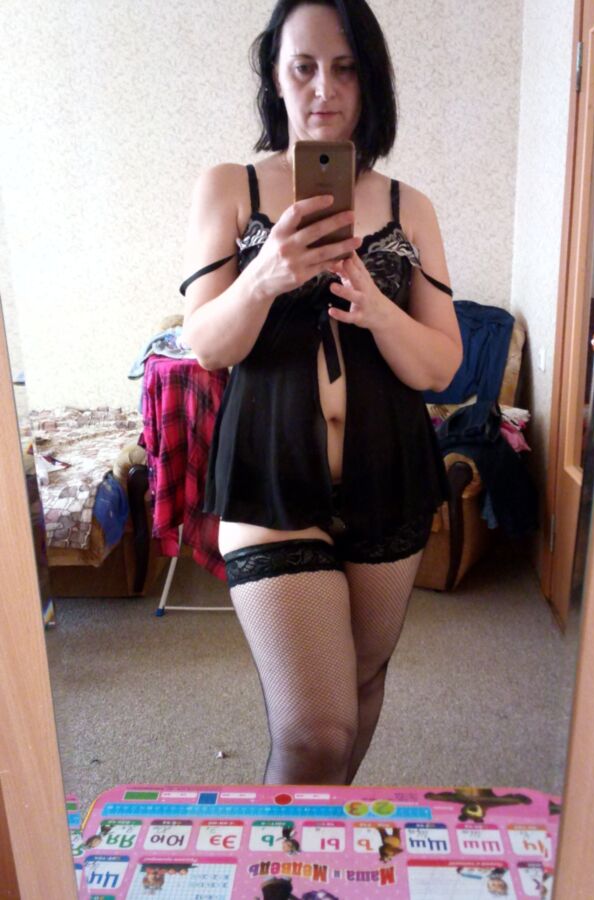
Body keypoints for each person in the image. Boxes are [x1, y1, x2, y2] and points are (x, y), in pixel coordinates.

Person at [181, 0, 462, 786]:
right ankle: (282, 851)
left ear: (369, 80)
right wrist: (265, 276)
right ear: (275, 77)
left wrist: (377, 308)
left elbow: (440, 366)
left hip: (388, 476)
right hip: (269, 479)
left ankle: (321, 842)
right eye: (302, 67)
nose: (323, 89)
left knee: (362, 687)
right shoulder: (230, 187)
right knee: (312, 730)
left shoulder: (409, 206)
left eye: (343, 68)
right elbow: (207, 345)